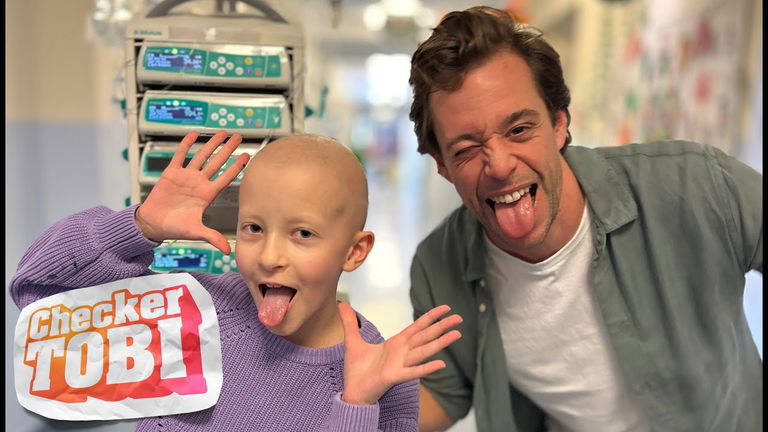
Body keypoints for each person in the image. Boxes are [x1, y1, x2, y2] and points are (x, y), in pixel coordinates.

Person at [407, 6, 762, 432]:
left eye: (519, 130)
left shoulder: (695, 185)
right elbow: (445, 391)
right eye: (466, 149)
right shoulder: (437, 266)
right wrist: (352, 401)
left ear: (558, 124)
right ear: (442, 166)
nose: (499, 165)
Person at [10, 131, 463, 431]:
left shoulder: (381, 374)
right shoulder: (196, 310)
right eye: (254, 228)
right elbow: (36, 291)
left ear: (353, 251)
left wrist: (357, 405)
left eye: (303, 234)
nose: (269, 256)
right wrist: (140, 225)